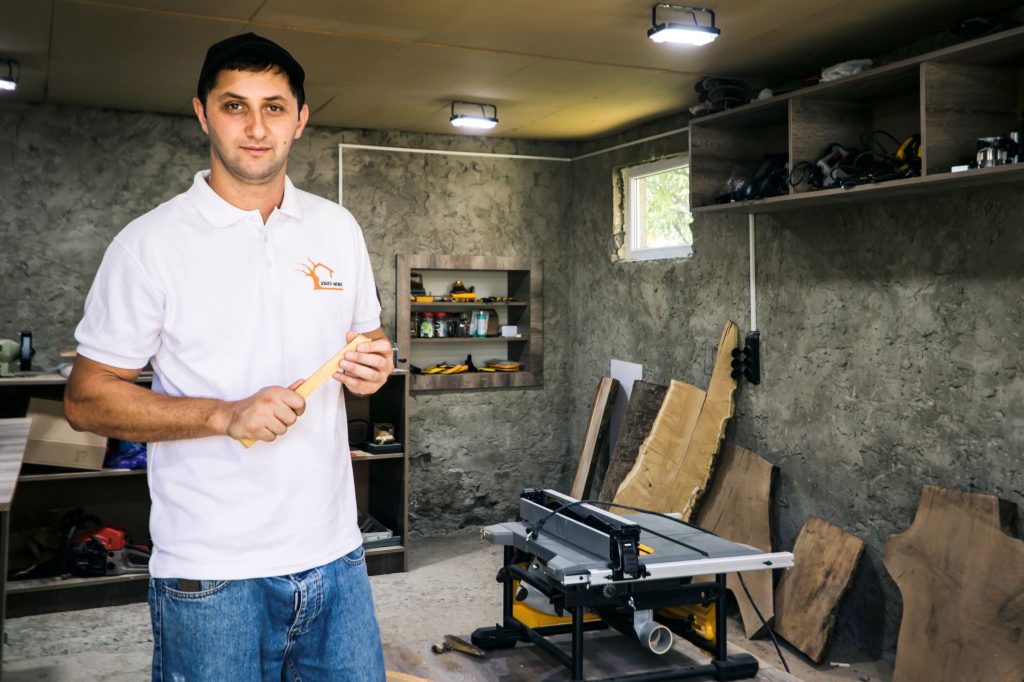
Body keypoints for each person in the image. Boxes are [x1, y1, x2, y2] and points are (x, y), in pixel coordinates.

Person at [65, 33, 391, 681]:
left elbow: (368, 342)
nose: (255, 127)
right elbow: (85, 398)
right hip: (211, 574)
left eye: (274, 106)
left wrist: (373, 367)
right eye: (235, 105)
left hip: (336, 557)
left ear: (300, 118)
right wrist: (224, 416)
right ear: (202, 113)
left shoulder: (337, 229)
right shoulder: (149, 245)